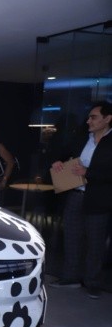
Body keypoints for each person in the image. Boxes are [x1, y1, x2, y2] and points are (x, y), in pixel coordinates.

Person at [49, 101, 112, 299]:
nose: (88, 121)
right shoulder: (83, 138)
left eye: (93, 117)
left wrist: (88, 172)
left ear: (107, 119)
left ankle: (93, 282)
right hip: (75, 194)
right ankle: (70, 277)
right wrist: (58, 162)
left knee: (95, 242)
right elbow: (63, 153)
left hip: (98, 199)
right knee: (71, 237)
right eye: (89, 117)